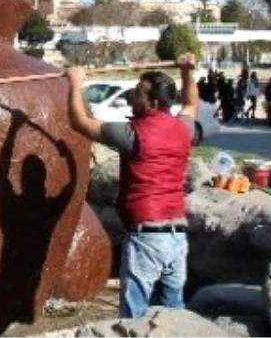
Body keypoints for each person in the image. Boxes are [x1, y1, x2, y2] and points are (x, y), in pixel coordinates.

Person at [64, 54, 198, 318]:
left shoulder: (133, 135)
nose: (132, 97)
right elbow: (192, 103)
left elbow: (80, 122)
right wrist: (186, 71)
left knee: (134, 316)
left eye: (138, 93)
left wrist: (75, 83)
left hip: (146, 237)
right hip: (177, 237)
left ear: (154, 102)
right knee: (173, 313)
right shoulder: (183, 128)